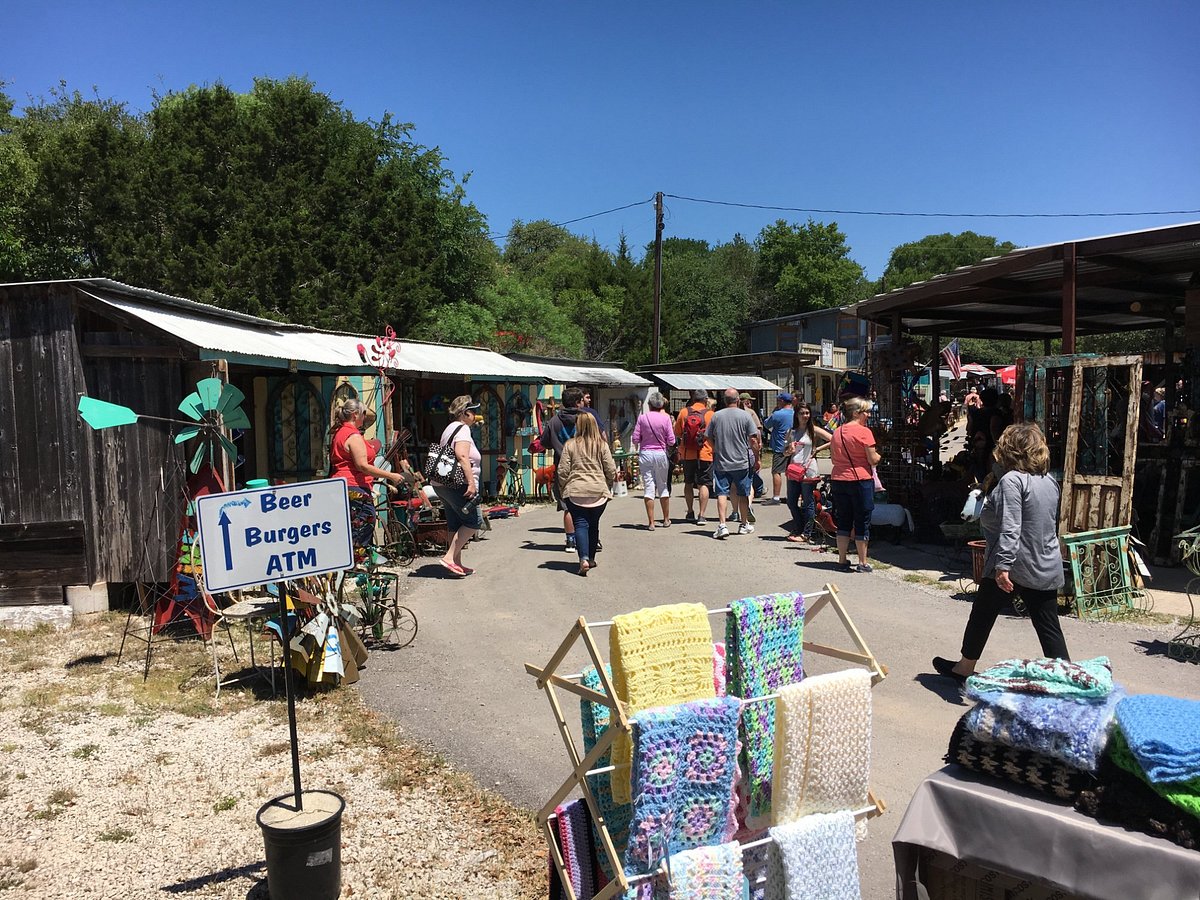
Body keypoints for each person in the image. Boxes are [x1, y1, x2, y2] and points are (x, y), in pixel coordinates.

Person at [933, 423, 1069, 682]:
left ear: (1011, 450)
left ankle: (964, 667)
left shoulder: (1012, 481)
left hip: (1013, 563)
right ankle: (1067, 679)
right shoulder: (1049, 481)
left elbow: (1011, 526)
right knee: (1048, 626)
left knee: (982, 615)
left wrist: (1003, 566)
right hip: (1045, 561)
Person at [329, 399, 407, 561]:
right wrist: (391, 476)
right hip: (354, 487)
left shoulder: (340, 432)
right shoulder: (353, 435)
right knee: (361, 526)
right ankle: (355, 567)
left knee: (351, 527)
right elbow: (362, 466)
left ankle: (351, 565)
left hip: (342, 485)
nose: (365, 418)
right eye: (364, 414)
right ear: (355, 414)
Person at [557, 413, 617, 576]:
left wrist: (563, 488)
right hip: (598, 492)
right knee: (594, 524)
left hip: (575, 491)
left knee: (580, 523)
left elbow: (563, 470)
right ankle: (591, 558)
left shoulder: (570, 445)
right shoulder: (602, 445)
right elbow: (611, 469)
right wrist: (609, 484)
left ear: (578, 426)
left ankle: (583, 559)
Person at [430, 395, 483, 577]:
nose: (475, 415)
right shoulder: (462, 429)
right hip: (457, 483)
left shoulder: (450, 428)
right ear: (464, 413)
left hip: (443, 483)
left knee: (455, 522)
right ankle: (449, 557)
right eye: (473, 411)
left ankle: (456, 563)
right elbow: (462, 456)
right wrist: (471, 483)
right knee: (474, 522)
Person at [830, 395, 881, 573]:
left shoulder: (837, 432)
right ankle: (862, 562)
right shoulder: (864, 432)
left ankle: (842, 560)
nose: (868, 415)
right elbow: (873, 459)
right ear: (857, 413)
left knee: (843, 520)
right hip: (860, 480)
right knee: (862, 520)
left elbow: (834, 457)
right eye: (866, 412)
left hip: (838, 479)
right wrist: (879, 456)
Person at [538, 387, 587, 552]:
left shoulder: (553, 421)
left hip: (562, 466)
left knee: (567, 506)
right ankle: (589, 538)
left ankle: (571, 540)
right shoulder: (585, 418)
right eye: (581, 401)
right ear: (577, 402)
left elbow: (544, 442)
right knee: (587, 504)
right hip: (584, 466)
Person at [708, 389, 761, 540]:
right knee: (743, 493)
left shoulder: (716, 416)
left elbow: (708, 436)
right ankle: (744, 524)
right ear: (738, 400)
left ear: (724, 401)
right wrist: (756, 456)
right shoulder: (745, 415)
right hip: (741, 461)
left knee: (722, 493)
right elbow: (753, 439)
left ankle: (722, 525)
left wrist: (716, 448)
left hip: (722, 462)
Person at [784, 402, 833, 543]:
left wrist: (818, 449)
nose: (805, 416)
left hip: (809, 471)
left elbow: (832, 439)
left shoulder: (813, 430)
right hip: (794, 470)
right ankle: (799, 528)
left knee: (808, 502)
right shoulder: (792, 431)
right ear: (796, 415)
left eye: (807, 413)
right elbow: (784, 452)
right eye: (802, 413)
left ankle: (807, 533)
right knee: (792, 502)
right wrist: (789, 450)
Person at [631, 392, 676, 529]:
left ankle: (651, 522)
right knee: (662, 486)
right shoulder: (666, 418)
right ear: (662, 404)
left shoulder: (642, 418)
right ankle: (666, 519)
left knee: (649, 487)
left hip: (645, 454)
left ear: (649, 405)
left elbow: (635, 438)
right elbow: (672, 440)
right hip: (661, 454)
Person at [674, 389, 714, 525]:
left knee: (688, 483)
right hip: (705, 454)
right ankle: (701, 515)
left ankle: (690, 511)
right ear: (705, 400)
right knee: (704, 484)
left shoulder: (684, 412)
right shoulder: (710, 414)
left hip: (687, 454)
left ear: (693, 399)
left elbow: (678, 432)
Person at [764, 393, 796, 504]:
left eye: (778, 401)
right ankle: (793, 495)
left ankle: (776, 497)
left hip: (780, 447)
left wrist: (774, 411)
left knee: (776, 471)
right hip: (793, 446)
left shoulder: (777, 414)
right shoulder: (795, 413)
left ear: (782, 401)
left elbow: (767, 424)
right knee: (791, 472)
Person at [738, 393, 767, 499]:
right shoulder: (750, 413)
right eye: (748, 401)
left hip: (738, 447)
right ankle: (757, 489)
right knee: (754, 468)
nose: (750, 403)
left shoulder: (731, 413)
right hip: (750, 445)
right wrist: (759, 443)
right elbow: (758, 429)